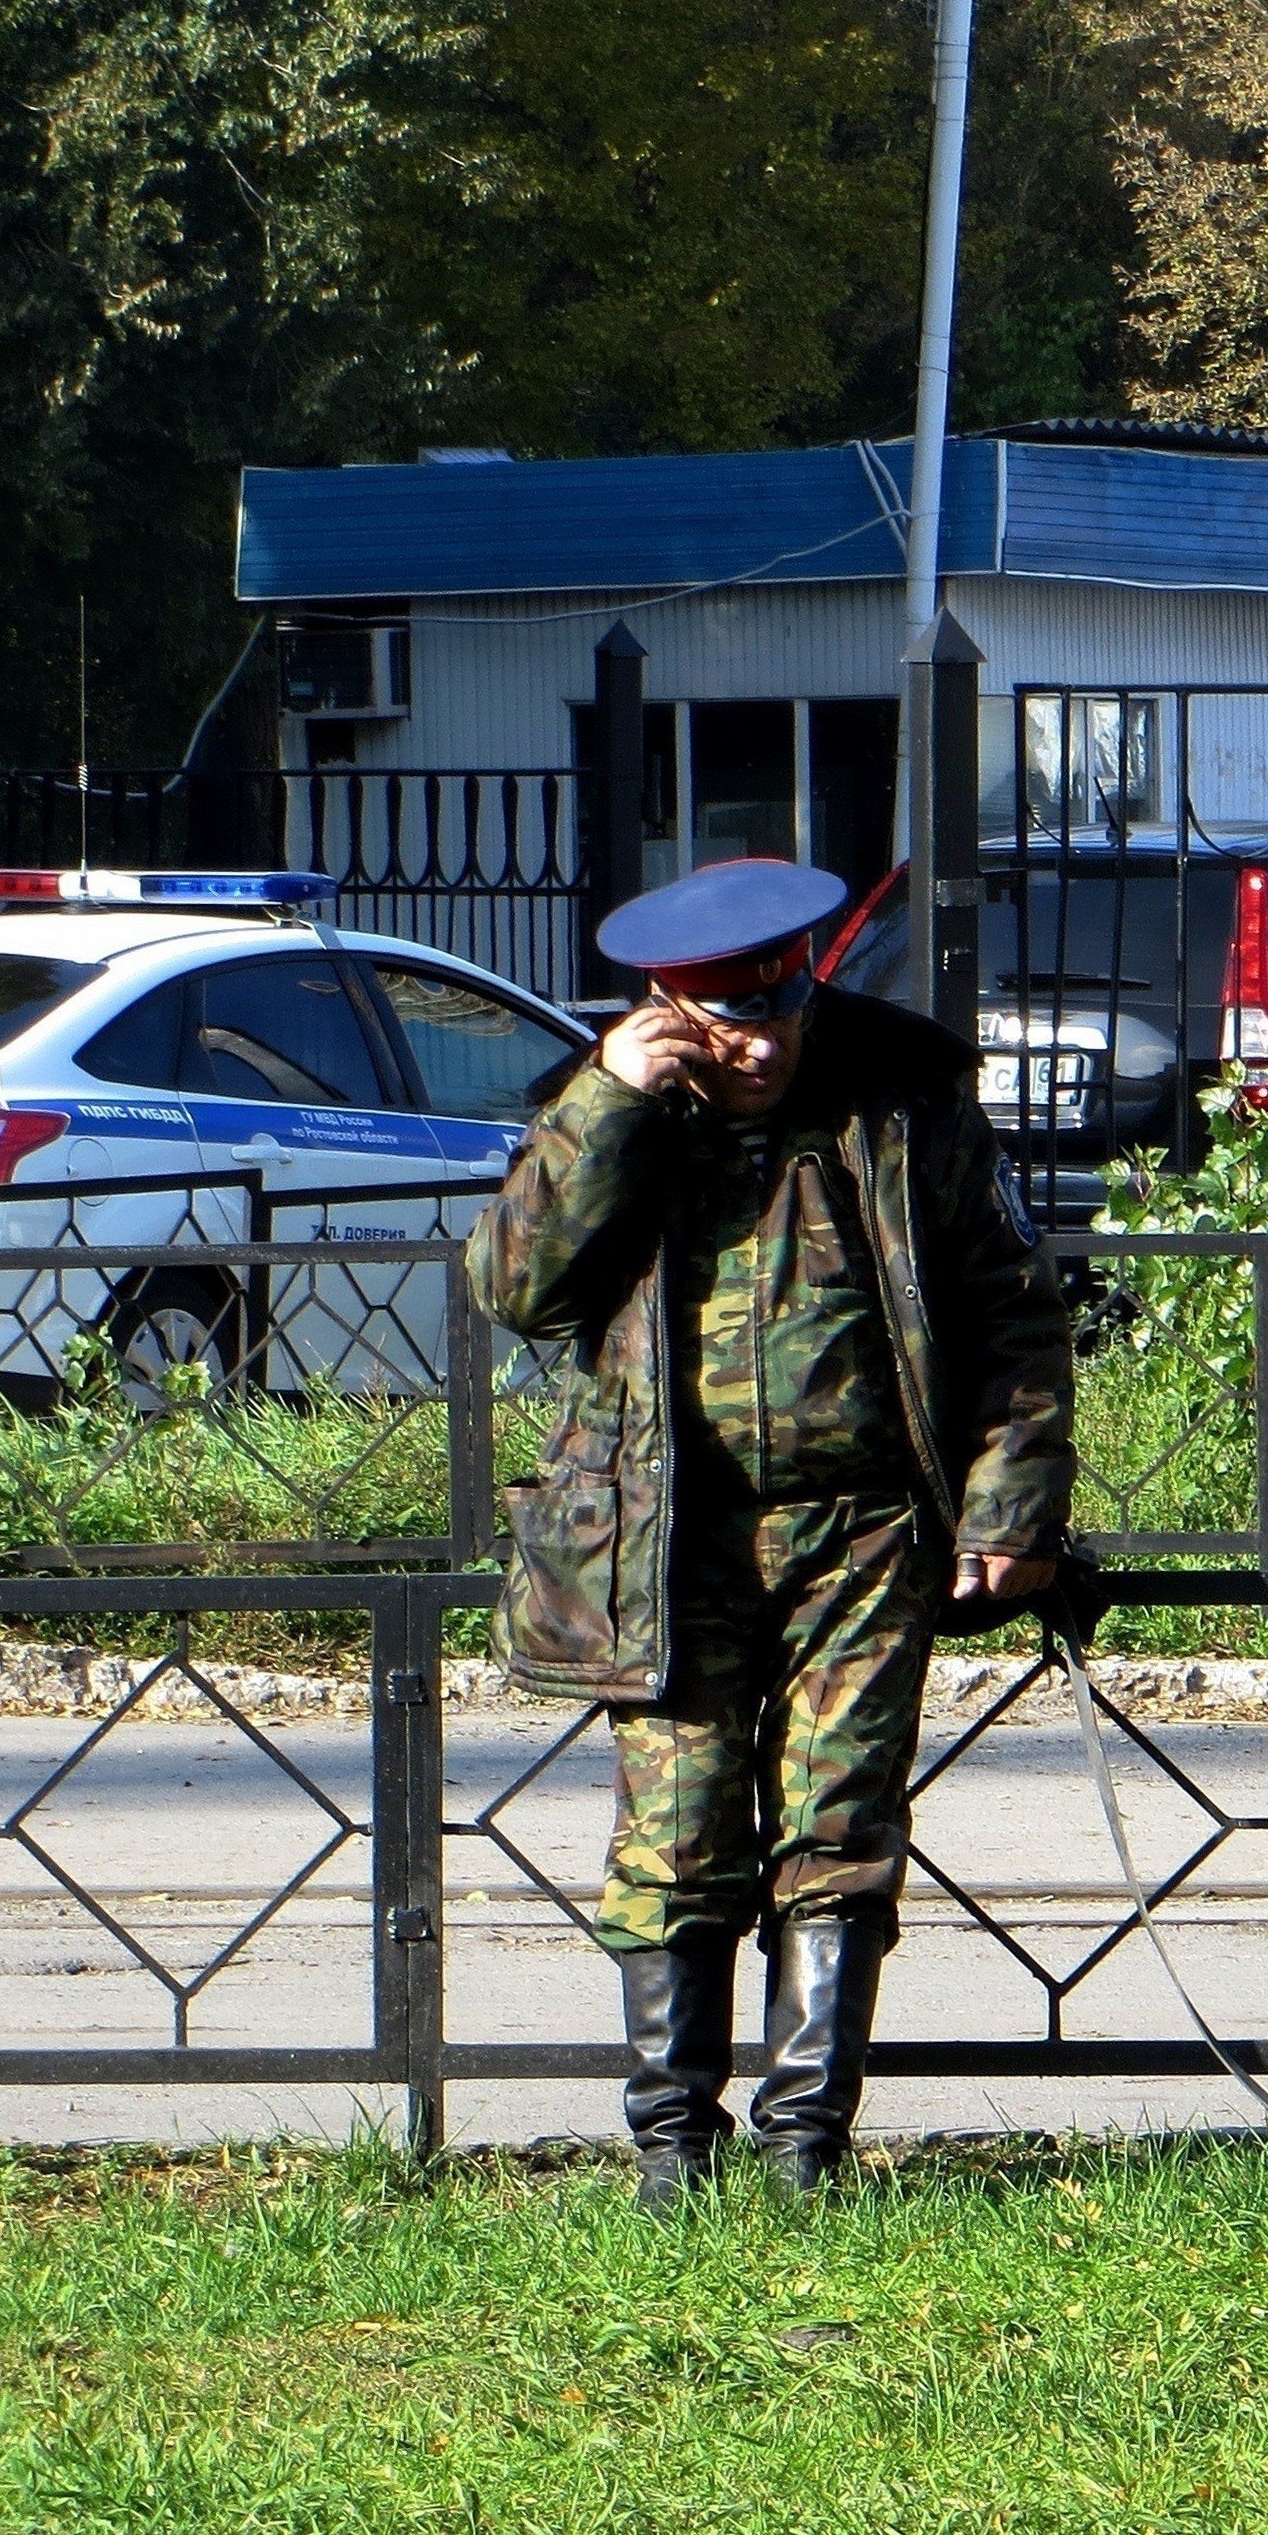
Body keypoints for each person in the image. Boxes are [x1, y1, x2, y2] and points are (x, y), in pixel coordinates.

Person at [468, 857, 1074, 2206]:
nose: (756, 1042)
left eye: (777, 1007)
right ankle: (672, 2151)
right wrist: (611, 1099)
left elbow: (1015, 1313)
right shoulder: (608, 1108)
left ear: (811, 984)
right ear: (666, 1009)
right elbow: (513, 1284)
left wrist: (1012, 1501)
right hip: (663, 1537)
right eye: (720, 1017)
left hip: (862, 1534)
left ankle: (804, 2145)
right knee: (675, 1838)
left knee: (839, 1822)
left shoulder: (904, 1099)